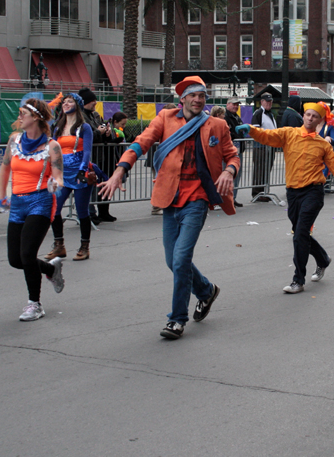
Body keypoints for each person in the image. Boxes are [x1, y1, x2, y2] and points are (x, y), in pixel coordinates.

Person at [98, 76, 239, 340]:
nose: (198, 100)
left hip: (197, 198)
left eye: (202, 96)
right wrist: (119, 171)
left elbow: (232, 154)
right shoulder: (165, 118)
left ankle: (177, 319)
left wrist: (229, 171)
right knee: (171, 261)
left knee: (181, 258)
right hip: (170, 198)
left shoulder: (217, 125)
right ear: (182, 98)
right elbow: (140, 143)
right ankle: (206, 291)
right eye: (193, 95)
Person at [237, 103, 334, 294]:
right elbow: (268, 136)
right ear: (303, 116)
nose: (310, 118)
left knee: (300, 234)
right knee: (301, 234)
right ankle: (323, 259)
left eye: (314, 116)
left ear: (320, 120)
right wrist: (251, 129)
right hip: (293, 193)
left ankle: (298, 280)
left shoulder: (323, 144)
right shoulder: (289, 133)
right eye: (308, 115)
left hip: (313, 192)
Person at [0, 99, 65, 321]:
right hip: (18, 203)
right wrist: (1, 195)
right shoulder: (14, 141)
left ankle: (34, 304)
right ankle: (50, 269)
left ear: (35, 117)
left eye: (23, 113)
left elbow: (58, 178)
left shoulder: (51, 146)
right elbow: (5, 167)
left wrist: (54, 184)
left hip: (40, 202)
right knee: (16, 260)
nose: (19, 117)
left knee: (27, 255)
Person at [44, 92, 94, 262]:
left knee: (82, 211)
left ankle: (84, 247)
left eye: (70, 101)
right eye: (64, 102)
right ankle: (59, 245)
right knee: (54, 209)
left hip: (80, 173)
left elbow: (87, 151)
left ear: (77, 105)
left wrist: (82, 170)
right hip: (62, 174)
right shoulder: (58, 126)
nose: (65, 104)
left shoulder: (84, 127)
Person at [78, 88, 114, 223]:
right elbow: (86, 136)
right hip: (87, 156)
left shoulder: (95, 115)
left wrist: (107, 133)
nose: (95, 103)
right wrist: (99, 132)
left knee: (99, 183)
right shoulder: (80, 117)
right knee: (89, 185)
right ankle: (89, 214)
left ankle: (102, 211)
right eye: (92, 100)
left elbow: (100, 131)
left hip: (99, 155)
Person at [250, 93, 278, 201]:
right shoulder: (258, 114)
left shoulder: (271, 114)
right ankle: (257, 193)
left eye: (270, 101)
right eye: (267, 101)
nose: (269, 103)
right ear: (262, 102)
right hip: (260, 147)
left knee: (266, 170)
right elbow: (256, 131)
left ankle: (264, 191)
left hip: (270, 146)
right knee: (259, 170)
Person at [224, 98, 245, 208]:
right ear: (228, 104)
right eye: (234, 104)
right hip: (229, 151)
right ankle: (226, 199)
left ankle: (233, 198)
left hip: (238, 150)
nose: (236, 107)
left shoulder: (237, 117)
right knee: (229, 175)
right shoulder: (225, 117)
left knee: (237, 175)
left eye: (237, 105)